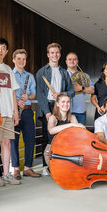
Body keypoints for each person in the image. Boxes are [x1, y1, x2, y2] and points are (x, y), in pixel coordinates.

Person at [36, 43, 74, 175]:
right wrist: (47, 111)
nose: (55, 55)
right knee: (47, 138)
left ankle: (60, 164)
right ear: (48, 55)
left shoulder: (64, 72)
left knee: (62, 137)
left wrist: (62, 94)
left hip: (62, 106)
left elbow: (72, 91)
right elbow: (40, 94)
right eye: (52, 52)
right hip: (48, 106)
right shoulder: (41, 72)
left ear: (60, 54)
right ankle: (46, 166)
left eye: (57, 52)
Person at [0, 37, 21, 186]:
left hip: (8, 112)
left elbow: (13, 92)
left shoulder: (8, 69)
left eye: (3, 48)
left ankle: (7, 173)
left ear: (7, 51)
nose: (0, 50)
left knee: (7, 142)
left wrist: (16, 112)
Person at [11, 49, 41, 178]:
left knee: (30, 140)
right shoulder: (10, 75)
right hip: (14, 111)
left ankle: (28, 168)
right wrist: (16, 101)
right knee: (14, 141)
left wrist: (27, 96)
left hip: (28, 111)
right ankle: (16, 169)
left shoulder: (30, 76)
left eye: (23, 59)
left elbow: (34, 93)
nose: (21, 61)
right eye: (19, 58)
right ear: (13, 60)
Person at [45, 93, 85, 166]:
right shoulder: (52, 117)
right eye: (63, 102)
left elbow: (79, 132)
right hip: (53, 151)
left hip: (67, 150)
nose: (66, 104)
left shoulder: (72, 117)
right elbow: (51, 131)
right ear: (57, 104)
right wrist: (71, 125)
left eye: (68, 102)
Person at [65, 52, 94, 125]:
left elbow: (92, 90)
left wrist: (81, 88)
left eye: (74, 59)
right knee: (67, 135)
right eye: (70, 59)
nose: (72, 61)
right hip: (65, 111)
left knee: (80, 135)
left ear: (77, 61)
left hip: (80, 111)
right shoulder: (61, 75)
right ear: (66, 61)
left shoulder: (84, 76)